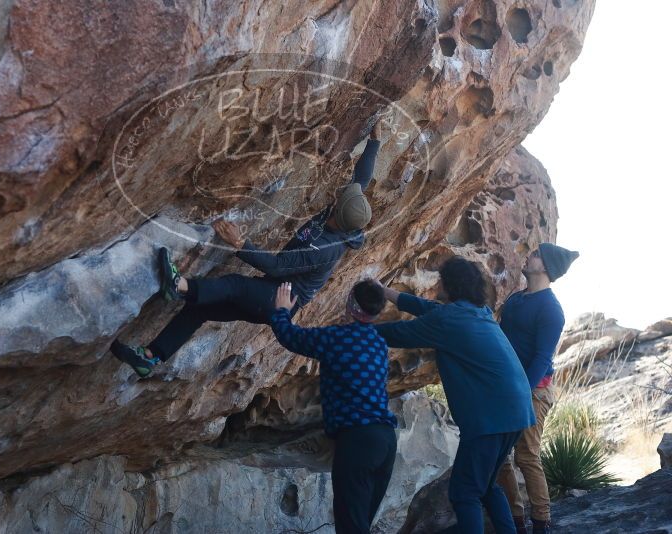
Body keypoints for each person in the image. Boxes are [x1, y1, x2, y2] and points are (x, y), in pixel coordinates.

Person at [110, 122, 383, 377]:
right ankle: (151, 357)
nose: (339, 193)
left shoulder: (324, 248)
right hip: (271, 289)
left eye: (342, 197)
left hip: (281, 302)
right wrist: (375, 141)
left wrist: (240, 244)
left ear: (340, 209)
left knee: (236, 285)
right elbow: (362, 178)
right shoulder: (343, 217)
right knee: (200, 309)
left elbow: (277, 266)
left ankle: (178, 286)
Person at [372, 257, 535, 534]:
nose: (437, 284)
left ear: (450, 283)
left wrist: (354, 330)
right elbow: (428, 308)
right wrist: (386, 293)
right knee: (485, 486)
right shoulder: (477, 311)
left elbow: (400, 333)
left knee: (464, 493)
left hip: (491, 420)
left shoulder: (449, 320)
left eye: (441, 279)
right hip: (517, 413)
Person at [270, 280, 397, 534]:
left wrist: (282, 310)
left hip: (357, 442)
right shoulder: (380, 344)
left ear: (350, 304)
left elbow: (291, 337)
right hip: (386, 441)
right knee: (360, 525)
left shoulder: (336, 338)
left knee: (351, 527)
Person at [496, 243, 579, 534]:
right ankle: (515, 520)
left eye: (534, 254)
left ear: (544, 267)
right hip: (506, 388)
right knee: (499, 456)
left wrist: (521, 391)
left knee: (527, 455)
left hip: (534, 391)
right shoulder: (516, 300)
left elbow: (542, 359)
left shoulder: (551, 310)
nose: (528, 256)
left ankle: (541, 523)